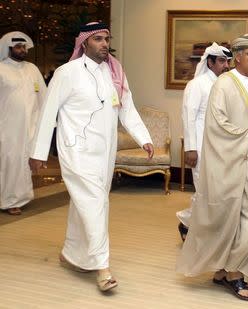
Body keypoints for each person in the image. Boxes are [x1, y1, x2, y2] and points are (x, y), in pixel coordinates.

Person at [29, 22, 154, 292]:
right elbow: (47, 114)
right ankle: (102, 268)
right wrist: (37, 153)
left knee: (84, 203)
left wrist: (144, 138)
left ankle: (72, 254)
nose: (104, 44)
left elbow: (127, 109)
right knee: (95, 203)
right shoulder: (66, 73)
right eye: (97, 39)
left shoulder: (115, 73)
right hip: (76, 151)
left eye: (106, 38)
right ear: (84, 43)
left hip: (104, 153)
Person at [176, 33, 248, 301]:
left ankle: (226, 271)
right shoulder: (224, 84)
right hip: (229, 163)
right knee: (234, 218)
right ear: (237, 57)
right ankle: (233, 274)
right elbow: (217, 123)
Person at [177, 42, 232, 241]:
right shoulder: (197, 85)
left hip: (220, 149)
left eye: (228, 61)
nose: (226, 65)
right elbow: (188, 117)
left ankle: (189, 224)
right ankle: (188, 224)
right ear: (209, 62)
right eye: (221, 61)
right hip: (200, 148)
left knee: (215, 193)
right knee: (204, 192)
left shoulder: (225, 84)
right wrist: (190, 149)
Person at [0, 31, 47, 215]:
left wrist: (48, 122)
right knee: (10, 161)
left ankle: (18, 198)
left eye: (24, 47)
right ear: (8, 48)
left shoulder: (32, 69)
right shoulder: (1, 69)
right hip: (7, 126)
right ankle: (10, 200)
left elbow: (43, 95)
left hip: (31, 125)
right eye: (18, 47)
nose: (22, 50)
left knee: (25, 162)